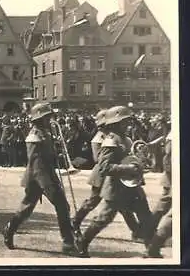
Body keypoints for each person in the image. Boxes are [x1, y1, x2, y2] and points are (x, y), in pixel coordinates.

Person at [2, 103, 82, 256]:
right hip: (39, 177)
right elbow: (36, 163)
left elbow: (47, 155)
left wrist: (57, 153)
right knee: (60, 206)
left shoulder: (44, 133)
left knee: (28, 208)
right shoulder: (35, 135)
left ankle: (9, 229)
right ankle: (67, 242)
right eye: (47, 117)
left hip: (45, 176)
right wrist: (47, 183)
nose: (50, 119)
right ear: (39, 119)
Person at [77, 106, 153, 257]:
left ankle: (151, 249)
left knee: (145, 215)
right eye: (125, 121)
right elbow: (104, 167)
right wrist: (129, 168)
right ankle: (83, 242)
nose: (128, 124)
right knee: (104, 219)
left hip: (132, 186)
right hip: (116, 188)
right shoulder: (110, 141)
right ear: (115, 123)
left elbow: (129, 159)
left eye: (128, 121)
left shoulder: (127, 139)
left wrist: (140, 163)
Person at [72, 109, 141, 239]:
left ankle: (136, 230)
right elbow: (98, 159)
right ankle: (75, 222)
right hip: (101, 175)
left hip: (113, 174)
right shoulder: (99, 138)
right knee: (93, 202)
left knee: (122, 204)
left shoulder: (116, 136)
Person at [145, 130, 172, 258]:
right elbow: (169, 159)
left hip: (172, 179)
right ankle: (153, 243)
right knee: (171, 215)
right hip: (174, 179)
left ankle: (148, 234)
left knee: (162, 209)